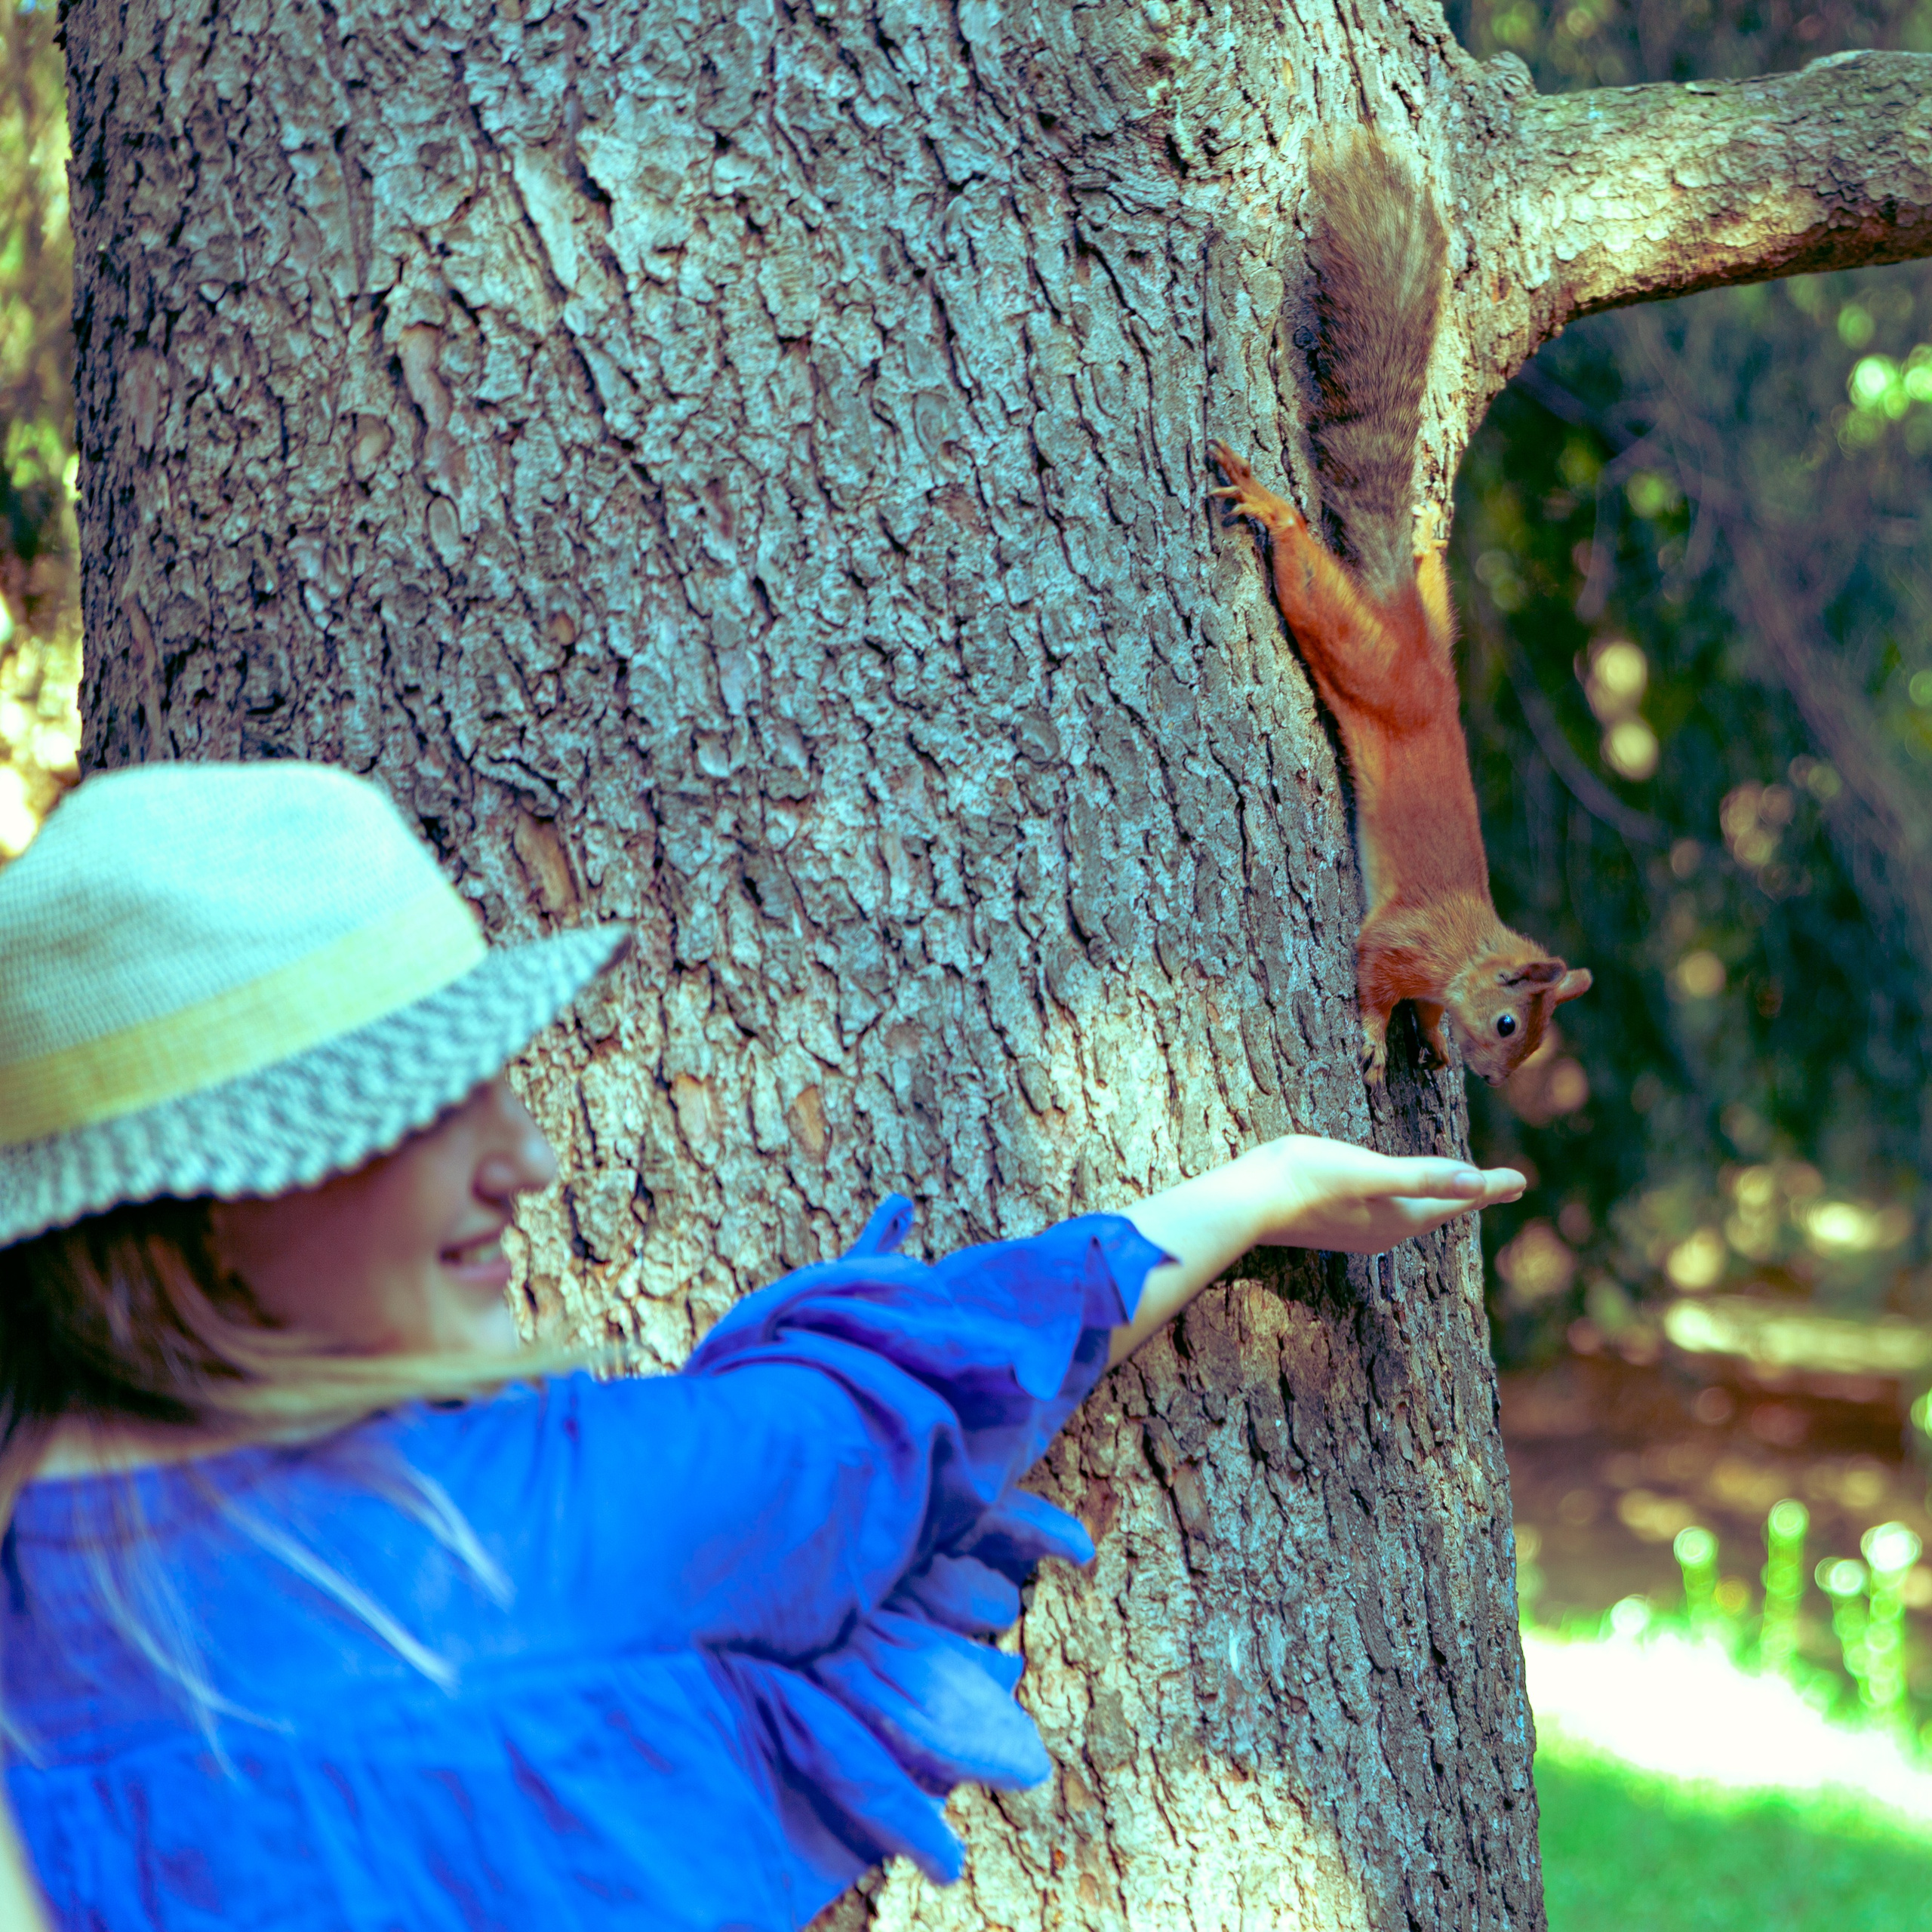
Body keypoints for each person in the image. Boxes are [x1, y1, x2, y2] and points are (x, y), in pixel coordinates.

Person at [0, 761, 1524, 1930]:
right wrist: (1246, 1192)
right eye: (425, 1104)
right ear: (202, 1208)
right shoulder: (541, 1527)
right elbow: (867, 1429)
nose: (520, 1158)